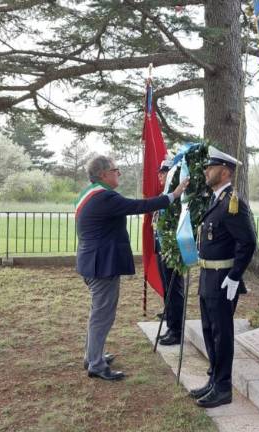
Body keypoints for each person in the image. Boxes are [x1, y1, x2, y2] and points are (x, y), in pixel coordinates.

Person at [76, 155, 188, 381]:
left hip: (93, 262)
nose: (119, 173)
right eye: (115, 170)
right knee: (102, 316)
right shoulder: (105, 196)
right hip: (102, 266)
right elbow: (138, 206)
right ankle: (96, 364)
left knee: (98, 313)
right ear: (103, 174)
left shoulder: (90, 193)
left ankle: (92, 356)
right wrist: (173, 195)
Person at [189, 146, 257, 408]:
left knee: (222, 334)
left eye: (211, 167)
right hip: (208, 275)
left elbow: (247, 242)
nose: (206, 171)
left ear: (225, 172)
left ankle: (223, 387)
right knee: (209, 330)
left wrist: (235, 275)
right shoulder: (216, 199)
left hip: (222, 279)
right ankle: (213, 379)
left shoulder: (233, 203)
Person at [154, 159, 185, 346]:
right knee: (167, 289)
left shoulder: (178, 197)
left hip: (173, 250)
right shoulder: (164, 195)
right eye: (159, 172)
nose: (160, 175)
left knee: (175, 289)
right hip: (161, 248)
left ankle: (176, 330)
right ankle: (170, 324)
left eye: (164, 172)